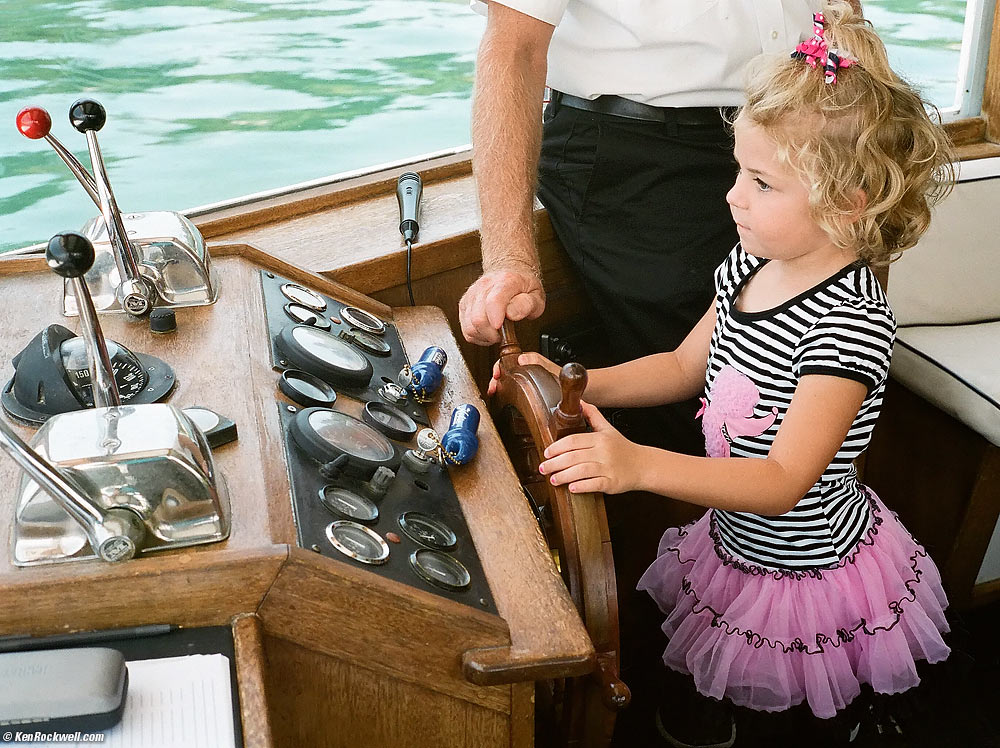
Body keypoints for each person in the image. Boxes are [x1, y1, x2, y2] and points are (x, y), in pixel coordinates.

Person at [489, 5, 955, 745]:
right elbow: (682, 366)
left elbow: (780, 481)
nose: (732, 195)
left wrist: (636, 465)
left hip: (808, 580)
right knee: (721, 688)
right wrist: (583, 383)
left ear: (847, 203)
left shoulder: (849, 326)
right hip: (735, 548)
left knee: (799, 712)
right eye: (739, 169)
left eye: (762, 183)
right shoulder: (750, 264)